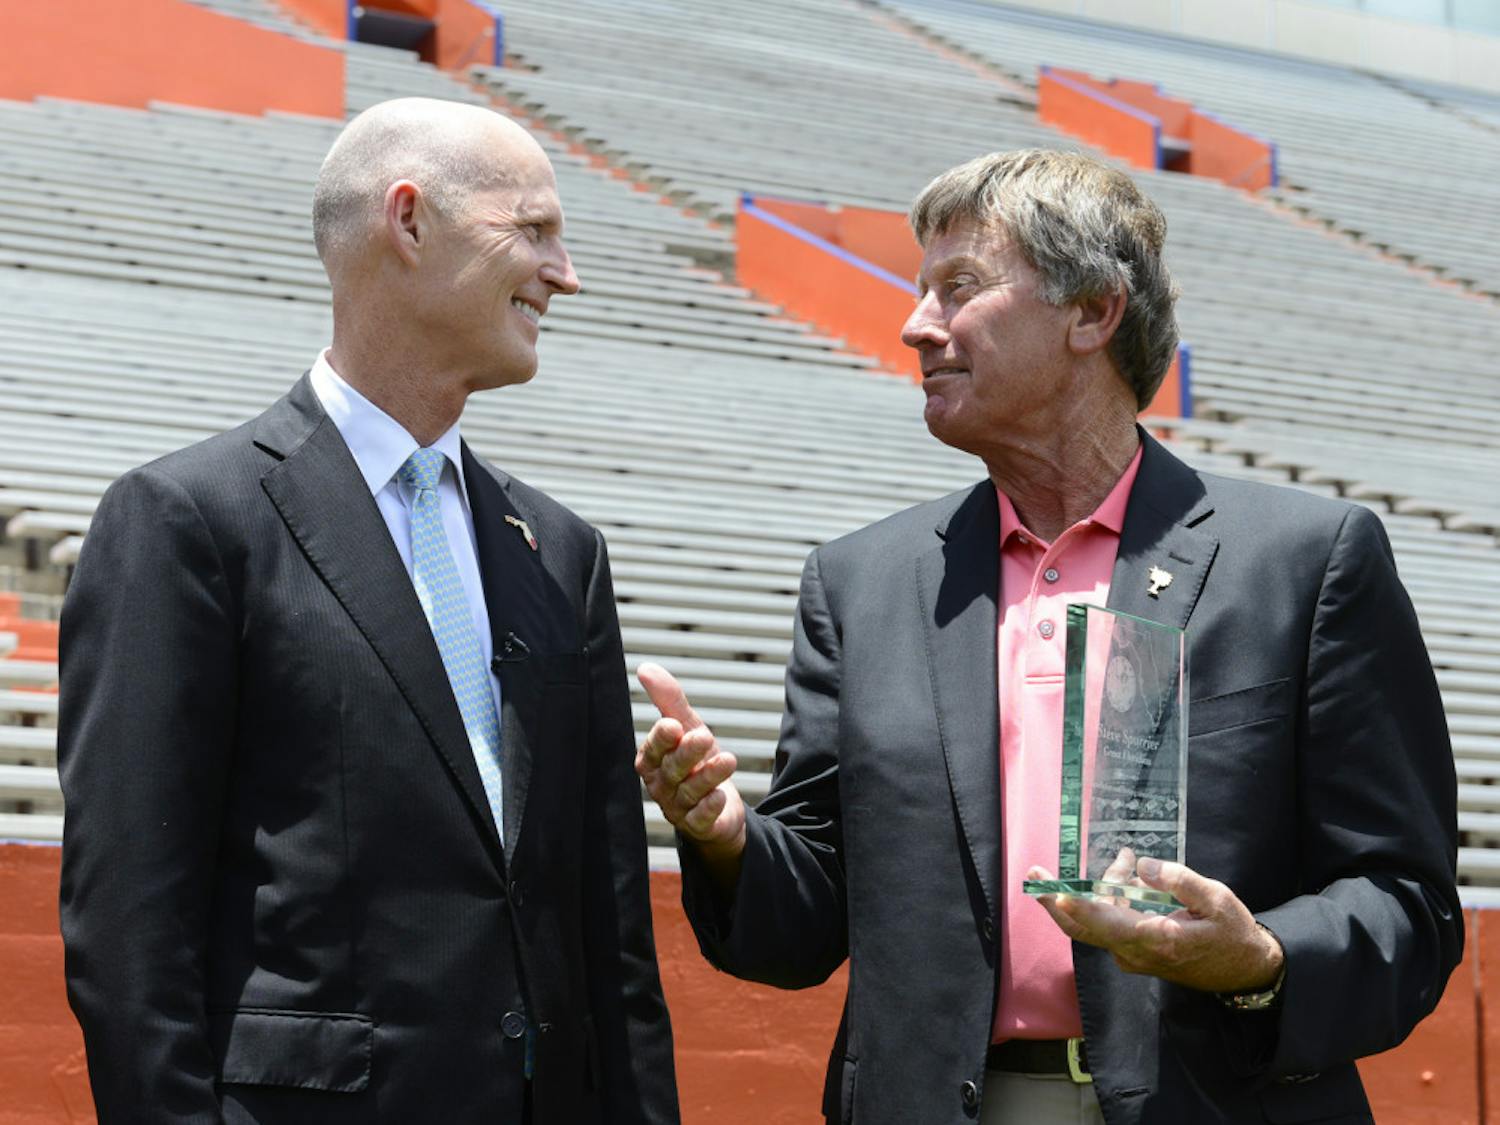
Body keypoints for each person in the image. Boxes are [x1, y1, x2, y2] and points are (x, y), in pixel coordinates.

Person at [636, 149, 1460, 1124]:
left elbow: (1406, 899)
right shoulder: (862, 583)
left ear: (1092, 313)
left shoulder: (1304, 561)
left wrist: (1259, 960)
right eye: (919, 290)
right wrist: (728, 840)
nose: (915, 325)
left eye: (960, 288)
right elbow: (802, 927)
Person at [58, 97, 678, 1124]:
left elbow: (610, 933)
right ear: (408, 219)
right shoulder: (189, 521)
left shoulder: (563, 554)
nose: (566, 273)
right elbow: (130, 929)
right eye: (533, 231)